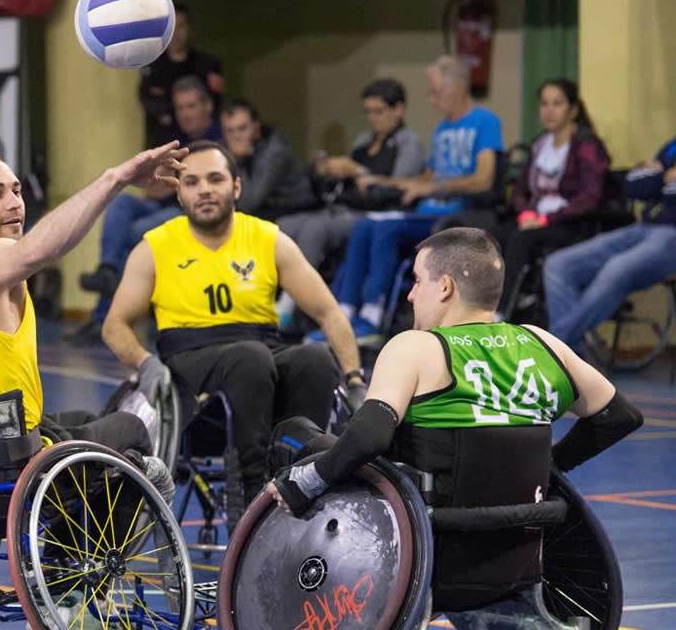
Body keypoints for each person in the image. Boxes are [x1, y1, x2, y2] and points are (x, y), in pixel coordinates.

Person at [272, 227, 642, 614]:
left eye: (417, 281)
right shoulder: (542, 343)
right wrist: (552, 465)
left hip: (422, 562)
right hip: (517, 563)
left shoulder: (416, 347)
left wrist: (305, 481)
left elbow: (367, 437)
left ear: (445, 287)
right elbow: (619, 416)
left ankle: (281, 587)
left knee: (293, 437)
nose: (412, 294)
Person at [0, 143, 188, 495]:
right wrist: (116, 178)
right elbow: (38, 250)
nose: (14, 203)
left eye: (16, 190)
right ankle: (99, 549)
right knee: (130, 428)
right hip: (10, 469)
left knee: (86, 422)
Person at [101, 140, 365, 503]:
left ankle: (304, 471)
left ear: (236, 187)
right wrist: (145, 363)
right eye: (192, 182)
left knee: (314, 357)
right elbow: (115, 324)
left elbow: (329, 312)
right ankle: (252, 489)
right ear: (179, 194)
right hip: (191, 369)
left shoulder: (268, 239)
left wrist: (353, 379)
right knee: (250, 357)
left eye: (215, 179)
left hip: (260, 353)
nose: (204, 190)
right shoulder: (154, 247)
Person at [308, 56, 502, 341]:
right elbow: (422, 180)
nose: (432, 99)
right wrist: (378, 180)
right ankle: (344, 312)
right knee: (365, 224)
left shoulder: (485, 121)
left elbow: (484, 178)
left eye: (436, 91)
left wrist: (436, 189)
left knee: (385, 227)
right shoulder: (442, 129)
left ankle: (372, 316)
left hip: (455, 215)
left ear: (459, 87)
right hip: (426, 210)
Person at [69, 76, 223, 344]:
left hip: (191, 212)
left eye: (191, 107)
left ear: (207, 106)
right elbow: (152, 188)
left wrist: (178, 183)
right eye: (180, 108)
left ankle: (104, 316)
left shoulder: (220, 138)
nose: (185, 114)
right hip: (162, 205)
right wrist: (170, 182)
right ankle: (107, 271)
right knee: (121, 203)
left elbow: (202, 188)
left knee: (137, 232)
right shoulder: (173, 138)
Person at [544, 135, 676, 349]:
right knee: (558, 265)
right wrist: (664, 177)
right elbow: (634, 186)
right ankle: (572, 357)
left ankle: (553, 349)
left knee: (616, 268)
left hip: (671, 236)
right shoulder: (672, 146)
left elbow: (657, 186)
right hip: (643, 227)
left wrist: (659, 177)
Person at [494, 79, 609, 320]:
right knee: (494, 234)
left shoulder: (586, 146)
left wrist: (547, 219)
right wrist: (525, 212)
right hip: (535, 220)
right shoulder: (540, 145)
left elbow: (590, 196)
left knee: (521, 240)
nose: (549, 110)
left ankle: (501, 313)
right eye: (544, 104)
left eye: (557, 104)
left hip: (571, 223)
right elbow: (520, 190)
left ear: (573, 110)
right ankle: (514, 299)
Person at [139, 3, 223, 146]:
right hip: (164, 142)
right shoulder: (152, 67)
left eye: (181, 26)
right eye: (171, 27)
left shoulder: (207, 64)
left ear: (190, 29)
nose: (175, 33)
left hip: (206, 139)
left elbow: (217, 102)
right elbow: (147, 100)